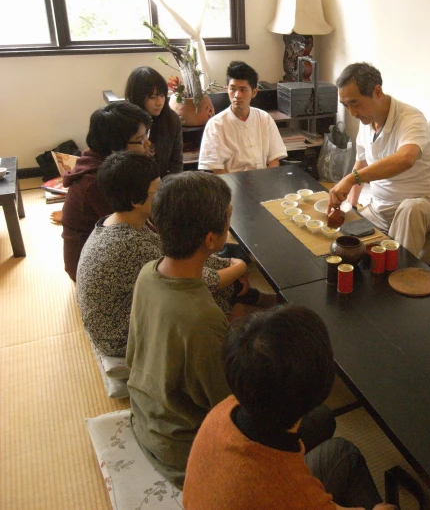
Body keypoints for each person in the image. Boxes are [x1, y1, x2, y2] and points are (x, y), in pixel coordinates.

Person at [127, 171, 334, 488]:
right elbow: (235, 406)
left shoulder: (148, 273)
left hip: (147, 417)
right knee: (321, 418)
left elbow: (135, 353)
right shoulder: (201, 317)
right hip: (185, 449)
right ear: (211, 240)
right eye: (227, 221)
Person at [183, 306, 395, 510]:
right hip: (268, 489)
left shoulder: (226, 408)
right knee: (345, 453)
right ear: (322, 387)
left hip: (229, 488)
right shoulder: (294, 494)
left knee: (323, 418)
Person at [76, 151, 263, 357]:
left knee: (227, 278)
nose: (163, 193)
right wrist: (240, 267)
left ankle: (251, 305)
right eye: (157, 190)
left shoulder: (126, 221)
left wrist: (230, 264)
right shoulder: (129, 244)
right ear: (135, 201)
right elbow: (197, 280)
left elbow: (184, 256)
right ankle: (238, 332)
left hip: (126, 310)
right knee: (212, 297)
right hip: (119, 335)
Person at [328, 62, 430, 258]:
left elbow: (406, 158)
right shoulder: (366, 122)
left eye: (355, 103)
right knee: (342, 243)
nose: (352, 113)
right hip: (380, 208)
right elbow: (361, 162)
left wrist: (351, 179)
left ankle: (399, 276)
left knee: (410, 210)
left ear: (377, 91)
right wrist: (351, 205)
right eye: (346, 106)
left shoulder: (411, 118)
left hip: (424, 205)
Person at [61, 101, 152, 281]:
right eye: (140, 140)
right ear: (116, 147)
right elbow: (132, 229)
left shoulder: (106, 163)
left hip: (110, 248)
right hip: (91, 270)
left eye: (146, 135)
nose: (148, 143)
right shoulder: (97, 183)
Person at [198, 61, 287, 174]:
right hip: (232, 185)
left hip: (264, 181)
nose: (237, 95)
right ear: (227, 89)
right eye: (233, 89)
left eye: (243, 90)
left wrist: (267, 182)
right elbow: (217, 169)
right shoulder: (215, 124)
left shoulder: (264, 118)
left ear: (254, 92)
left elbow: (274, 159)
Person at [125, 66, 184, 177]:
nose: (159, 102)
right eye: (152, 97)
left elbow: (176, 163)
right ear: (137, 97)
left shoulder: (171, 119)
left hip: (163, 185)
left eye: (162, 95)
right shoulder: (125, 121)